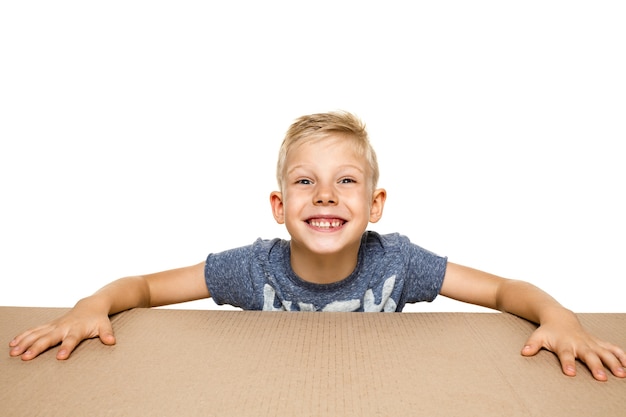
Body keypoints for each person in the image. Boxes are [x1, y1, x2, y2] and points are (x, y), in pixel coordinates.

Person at [9, 110, 626, 381]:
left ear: (375, 206)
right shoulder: (251, 269)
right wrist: (92, 306)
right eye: (306, 182)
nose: (325, 195)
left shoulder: (398, 262)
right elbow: (142, 289)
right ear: (280, 207)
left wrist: (560, 318)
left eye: (346, 182)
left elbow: (499, 290)